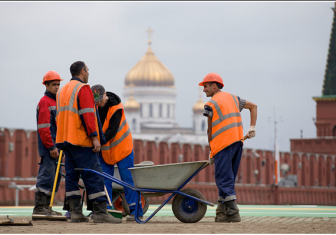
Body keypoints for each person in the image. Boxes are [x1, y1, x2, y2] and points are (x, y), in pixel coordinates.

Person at [55, 61, 121, 224]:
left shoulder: (62, 91)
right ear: (83, 71)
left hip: (65, 140)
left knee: (71, 176)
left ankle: (76, 212)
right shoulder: (83, 89)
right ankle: (100, 212)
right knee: (94, 175)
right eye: (88, 70)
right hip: (80, 140)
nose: (88, 73)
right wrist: (94, 137)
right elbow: (88, 115)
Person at [199, 72, 257, 223]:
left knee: (223, 178)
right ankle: (222, 212)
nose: (204, 89)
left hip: (223, 145)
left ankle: (233, 211)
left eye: (205, 86)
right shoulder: (234, 98)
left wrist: (211, 152)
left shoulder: (210, 105)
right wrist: (252, 127)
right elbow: (254, 106)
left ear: (214, 85)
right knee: (228, 178)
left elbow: (209, 130)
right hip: (238, 143)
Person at [90, 84, 144, 222]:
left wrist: (97, 142)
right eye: (96, 101)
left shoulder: (117, 108)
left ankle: (136, 212)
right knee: (104, 180)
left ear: (105, 95)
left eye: (100, 100)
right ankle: (106, 211)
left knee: (127, 180)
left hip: (122, 148)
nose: (98, 103)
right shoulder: (96, 107)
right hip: (106, 150)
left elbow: (111, 131)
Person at [33, 71, 64, 217]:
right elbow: (44, 128)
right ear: (46, 85)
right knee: (47, 176)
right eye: (54, 85)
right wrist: (51, 147)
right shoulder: (45, 102)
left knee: (54, 177)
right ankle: (40, 208)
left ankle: (47, 207)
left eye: (58, 84)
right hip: (49, 148)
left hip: (56, 147)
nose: (57, 87)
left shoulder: (56, 101)